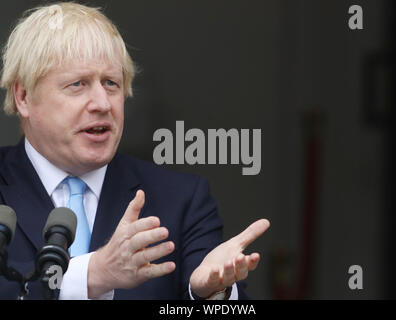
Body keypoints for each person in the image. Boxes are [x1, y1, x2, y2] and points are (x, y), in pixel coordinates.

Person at [0, 2, 270, 300]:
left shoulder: (181, 200)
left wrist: (209, 296)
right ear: (24, 96)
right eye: (78, 84)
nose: (103, 103)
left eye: (111, 84)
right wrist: (92, 276)